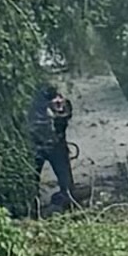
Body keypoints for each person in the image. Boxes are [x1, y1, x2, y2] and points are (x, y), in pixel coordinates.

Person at [29, 74, 76, 213]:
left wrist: (59, 111)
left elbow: (66, 115)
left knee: (67, 185)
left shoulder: (59, 105)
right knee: (31, 182)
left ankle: (64, 204)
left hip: (56, 145)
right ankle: (33, 207)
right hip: (36, 145)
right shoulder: (32, 104)